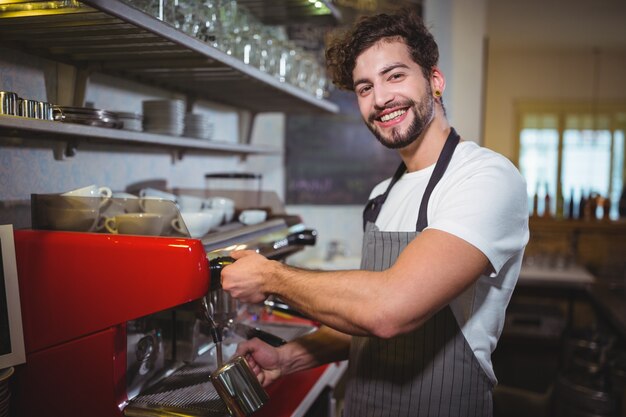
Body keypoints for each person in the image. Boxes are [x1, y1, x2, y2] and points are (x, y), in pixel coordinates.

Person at [221, 7, 529, 417]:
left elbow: (389, 310)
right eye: (364, 88)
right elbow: (364, 325)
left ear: (434, 81)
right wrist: (290, 357)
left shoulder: (484, 178)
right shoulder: (383, 195)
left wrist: (272, 277)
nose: (381, 99)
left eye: (395, 75)